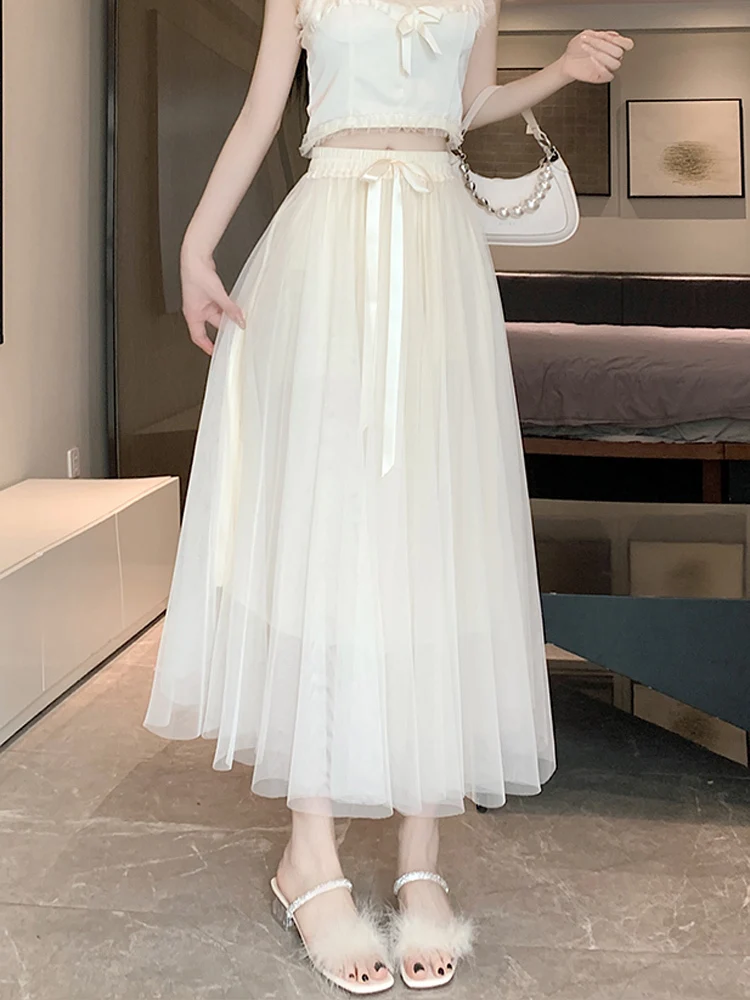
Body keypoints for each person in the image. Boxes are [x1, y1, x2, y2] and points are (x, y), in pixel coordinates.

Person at [143, 0, 633, 992]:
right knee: (330, 530)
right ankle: (309, 855)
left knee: (431, 537)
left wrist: (557, 71)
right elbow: (261, 111)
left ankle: (422, 857)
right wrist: (196, 248)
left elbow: (469, 103)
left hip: (437, 248)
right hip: (328, 243)